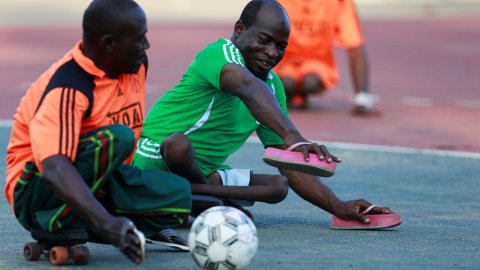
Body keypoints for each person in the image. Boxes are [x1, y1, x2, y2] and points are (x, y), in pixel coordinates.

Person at [133, 0, 393, 225]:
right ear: (239, 30)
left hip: (203, 174)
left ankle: (197, 199)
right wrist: (294, 136)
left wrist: (338, 206)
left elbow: (290, 166)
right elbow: (246, 87)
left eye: (281, 45)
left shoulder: (271, 86)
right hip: (156, 159)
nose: (271, 53)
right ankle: (211, 202)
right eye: (264, 40)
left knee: (278, 187)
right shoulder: (217, 54)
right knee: (178, 145)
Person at [5, 0, 191, 265]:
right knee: (120, 137)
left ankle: (88, 218)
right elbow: (54, 168)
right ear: (109, 44)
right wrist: (108, 226)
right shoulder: (69, 86)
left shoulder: (135, 65)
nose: (146, 46)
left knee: (179, 195)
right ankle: (53, 221)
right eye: (139, 39)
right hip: (37, 189)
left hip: (101, 177)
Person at [274, 0, 380, 116]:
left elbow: (354, 44)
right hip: (283, 61)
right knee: (286, 83)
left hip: (317, 63)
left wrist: (362, 99)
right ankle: (291, 94)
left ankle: (299, 94)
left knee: (310, 82)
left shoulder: (340, 2)